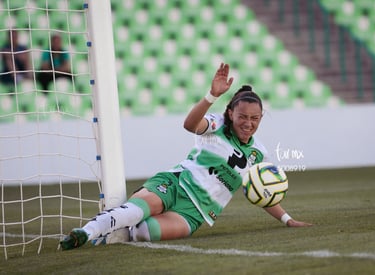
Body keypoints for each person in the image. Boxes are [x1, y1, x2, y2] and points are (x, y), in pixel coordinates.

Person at [60, 63, 312, 250]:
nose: (248, 123)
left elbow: (262, 191)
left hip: (197, 212)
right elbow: (190, 124)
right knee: (135, 212)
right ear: (232, 114)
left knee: (144, 232)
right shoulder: (218, 123)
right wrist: (211, 96)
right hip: (177, 184)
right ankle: (85, 231)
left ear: (261, 118)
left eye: (254, 118)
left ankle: (120, 221)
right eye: (242, 117)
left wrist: (288, 220)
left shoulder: (259, 153)